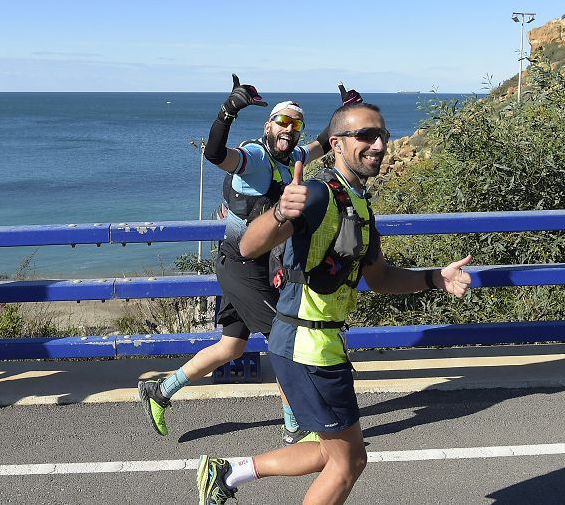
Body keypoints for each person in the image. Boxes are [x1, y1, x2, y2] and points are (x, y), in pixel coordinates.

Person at [197, 100, 473, 505]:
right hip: (307, 346)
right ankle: (227, 473)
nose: (379, 144)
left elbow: (378, 278)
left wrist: (435, 278)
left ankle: (227, 473)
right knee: (347, 465)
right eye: (365, 135)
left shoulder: (359, 204)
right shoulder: (317, 193)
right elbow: (250, 245)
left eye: (383, 135)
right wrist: (278, 213)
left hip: (321, 343)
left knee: (336, 453)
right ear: (338, 144)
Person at [138, 75, 336, 445]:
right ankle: (295, 426)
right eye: (283, 122)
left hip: (253, 264)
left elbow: (323, 144)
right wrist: (229, 110)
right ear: (268, 125)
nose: (289, 130)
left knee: (231, 346)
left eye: (296, 125)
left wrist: (345, 113)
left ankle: (160, 392)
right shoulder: (257, 157)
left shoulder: (293, 156)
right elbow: (214, 154)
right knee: (283, 338)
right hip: (242, 267)